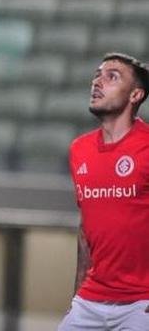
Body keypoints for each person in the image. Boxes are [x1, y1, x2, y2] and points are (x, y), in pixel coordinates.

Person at [59, 52, 149, 331]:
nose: (97, 82)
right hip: (91, 300)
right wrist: (77, 295)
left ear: (135, 95)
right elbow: (87, 230)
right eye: (97, 75)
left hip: (141, 303)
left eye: (112, 77)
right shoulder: (79, 150)